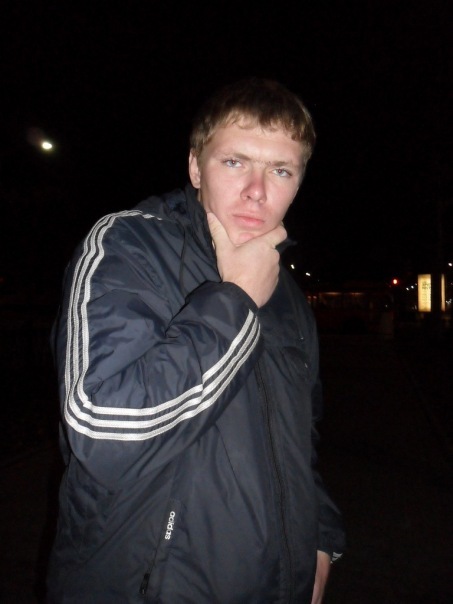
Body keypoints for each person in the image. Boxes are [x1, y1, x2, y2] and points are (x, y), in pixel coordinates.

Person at [46, 76, 346, 603]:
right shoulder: (128, 244)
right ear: (194, 167)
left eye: (281, 170)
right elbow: (103, 430)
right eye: (234, 162)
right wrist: (235, 302)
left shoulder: (288, 296)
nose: (257, 190)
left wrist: (319, 534)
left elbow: (302, 434)